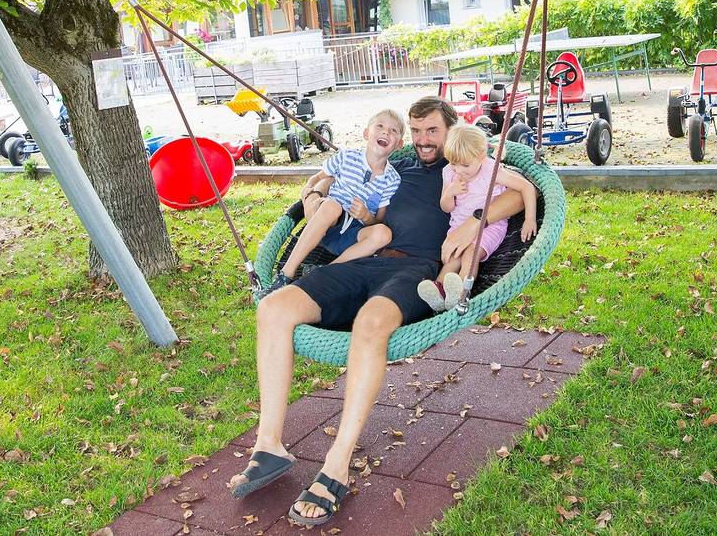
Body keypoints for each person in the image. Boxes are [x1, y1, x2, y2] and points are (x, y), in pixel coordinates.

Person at [225, 96, 527, 527]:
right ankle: (269, 444)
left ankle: (337, 464)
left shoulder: (465, 163)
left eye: (432, 132)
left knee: (370, 322)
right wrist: (313, 193)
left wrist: (473, 219)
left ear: (450, 131)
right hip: (368, 256)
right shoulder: (396, 165)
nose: (423, 140)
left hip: (420, 270)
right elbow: (334, 171)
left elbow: (515, 197)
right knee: (273, 308)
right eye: (416, 130)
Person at [259, 110, 405, 298]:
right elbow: (318, 178)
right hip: (328, 223)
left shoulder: (392, 178)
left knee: (384, 234)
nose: (386, 132)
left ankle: (326, 270)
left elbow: (379, 221)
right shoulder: (346, 157)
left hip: (353, 233)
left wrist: (366, 216)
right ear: (366, 133)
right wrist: (309, 193)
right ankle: (286, 274)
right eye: (380, 126)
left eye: (393, 131)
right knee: (332, 206)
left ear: (399, 144)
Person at [418, 123, 536, 313]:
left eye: (465, 165)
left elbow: (526, 187)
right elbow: (446, 207)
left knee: (470, 253)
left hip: (491, 226)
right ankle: (439, 290)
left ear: (481, 156)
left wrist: (529, 219)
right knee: (452, 257)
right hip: (458, 224)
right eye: (453, 163)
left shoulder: (491, 170)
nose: (459, 170)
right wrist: (450, 193)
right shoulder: (449, 172)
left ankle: (462, 294)